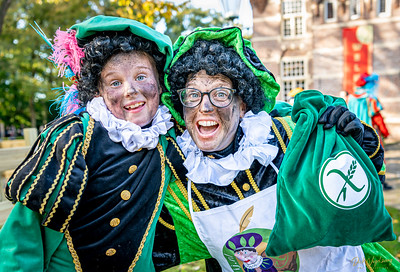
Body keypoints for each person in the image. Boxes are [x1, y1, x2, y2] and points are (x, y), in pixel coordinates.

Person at [152, 27, 399, 271]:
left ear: (243, 104)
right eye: (193, 95)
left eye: (220, 93)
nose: (204, 106)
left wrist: (357, 145)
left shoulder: (293, 137)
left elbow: (362, 193)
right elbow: (135, 252)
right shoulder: (182, 195)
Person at [0, 15, 182, 271]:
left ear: (160, 83)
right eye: (115, 82)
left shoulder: (168, 139)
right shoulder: (72, 137)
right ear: (98, 91)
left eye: (141, 76)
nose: (130, 90)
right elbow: (23, 236)